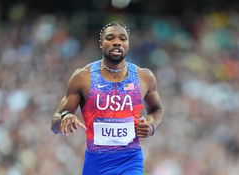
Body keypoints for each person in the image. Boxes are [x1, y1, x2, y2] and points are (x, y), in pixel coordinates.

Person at [51, 21, 163, 175]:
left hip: (130, 160)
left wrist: (151, 126)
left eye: (123, 39)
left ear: (128, 44)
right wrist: (65, 117)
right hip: (96, 163)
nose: (117, 42)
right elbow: (54, 124)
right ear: (101, 43)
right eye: (110, 38)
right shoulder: (83, 77)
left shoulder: (144, 77)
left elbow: (157, 110)